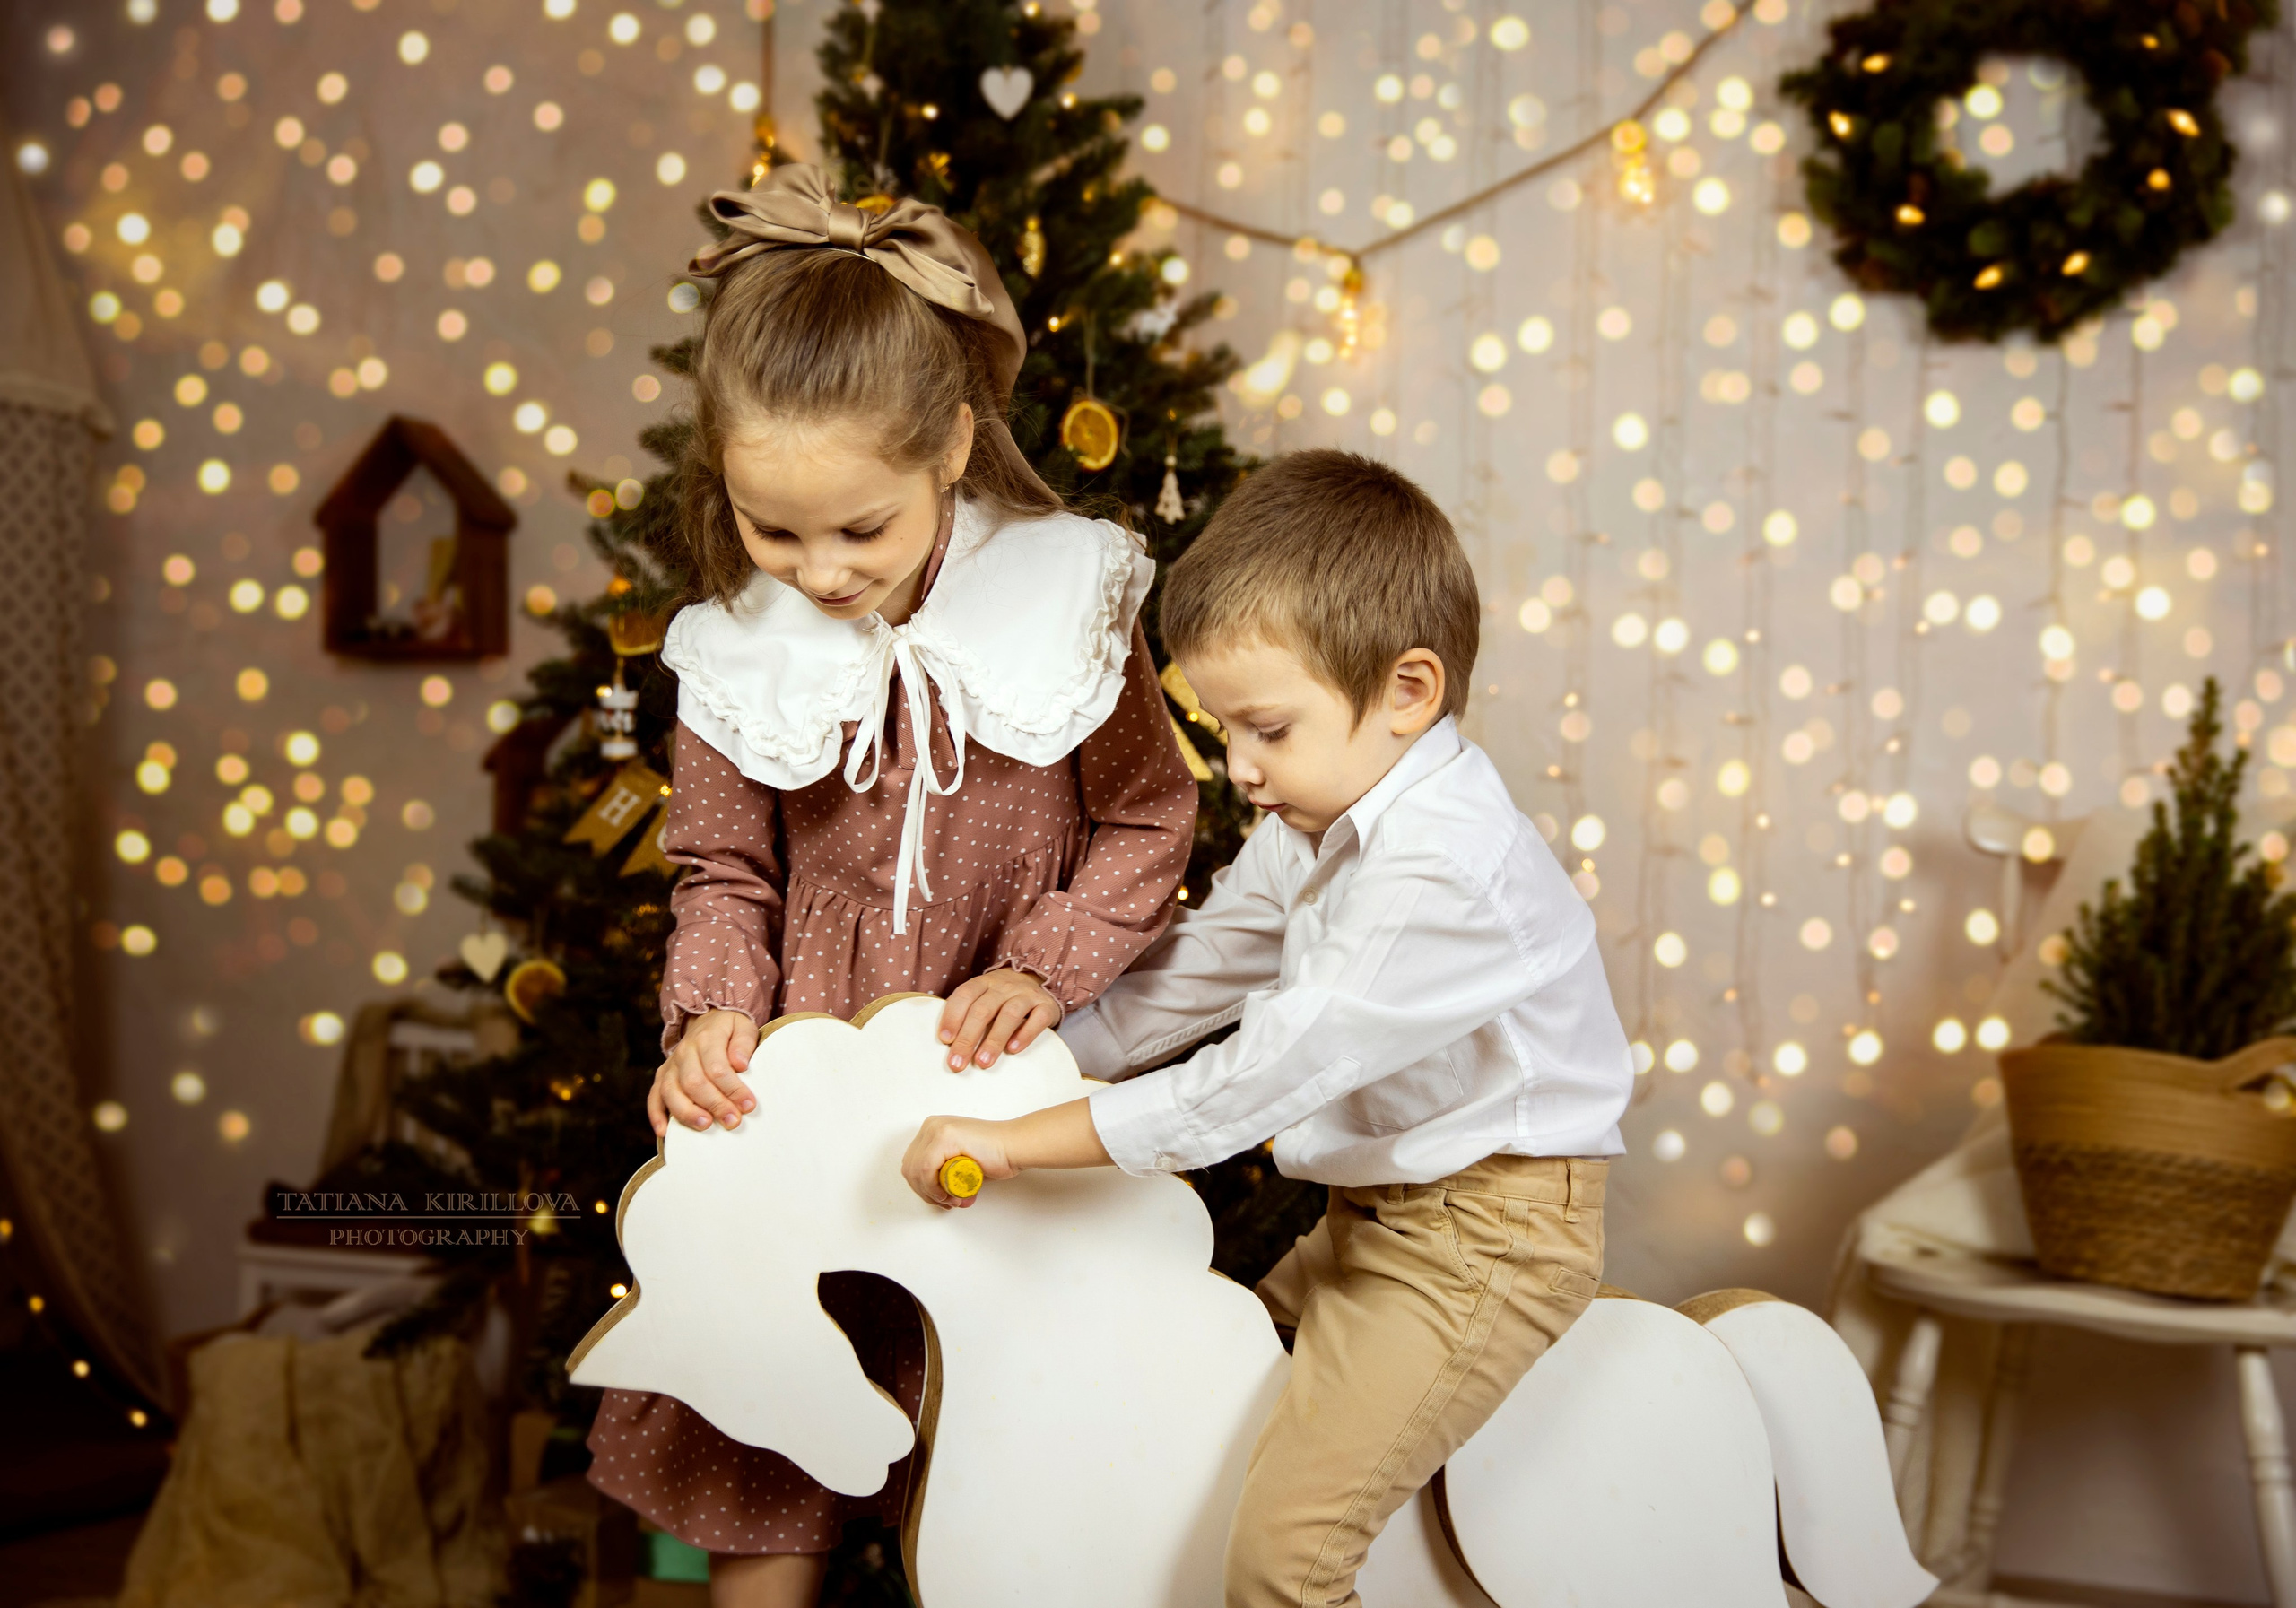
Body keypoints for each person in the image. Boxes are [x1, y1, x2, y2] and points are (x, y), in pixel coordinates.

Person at [589, 163, 1197, 1608]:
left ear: (950, 454)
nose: (817, 570)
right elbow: (722, 866)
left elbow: (1150, 819)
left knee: (1006, 1470)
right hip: (810, 1093)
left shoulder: (1068, 598)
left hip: (998, 1090)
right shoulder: (739, 644)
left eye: (859, 528)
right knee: (768, 1455)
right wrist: (710, 1024)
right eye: (771, 527)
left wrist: (1045, 959)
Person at [900, 449, 1632, 1608]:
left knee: (1284, 1560)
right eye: (1224, 729)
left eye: (1267, 728)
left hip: (1486, 1240)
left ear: (1407, 691)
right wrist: (1022, 1065)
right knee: (1181, 1423)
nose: (1238, 768)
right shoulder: (1316, 816)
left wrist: (1017, 1142)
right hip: (1377, 1224)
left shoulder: (1439, 866)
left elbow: (1254, 1078)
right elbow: (1192, 975)